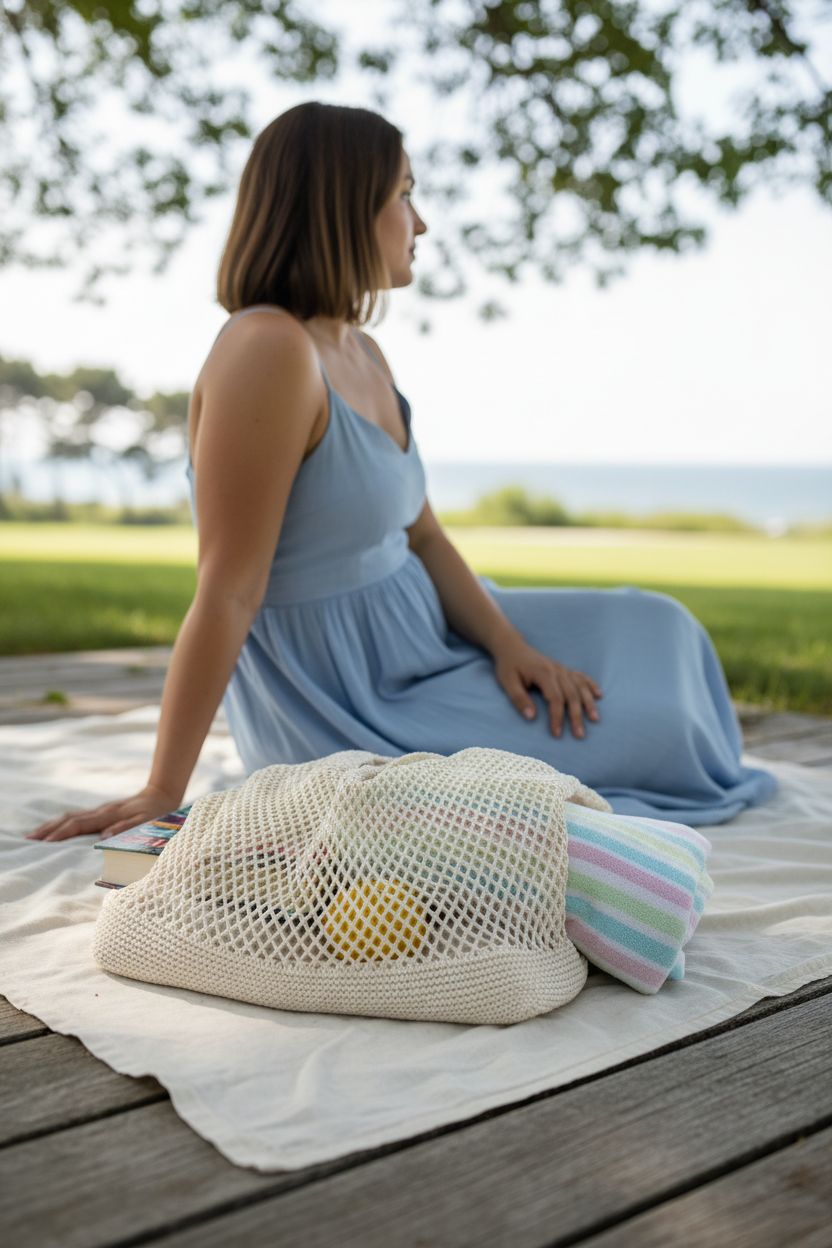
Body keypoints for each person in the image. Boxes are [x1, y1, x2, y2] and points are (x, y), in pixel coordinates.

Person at [27, 101, 776, 843]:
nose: (421, 223)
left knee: (659, 629)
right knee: (652, 723)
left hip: (427, 633)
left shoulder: (360, 351)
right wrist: (164, 786)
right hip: (347, 694)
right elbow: (228, 589)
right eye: (405, 195)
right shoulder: (266, 348)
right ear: (343, 208)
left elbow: (422, 535)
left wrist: (509, 644)